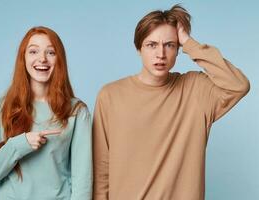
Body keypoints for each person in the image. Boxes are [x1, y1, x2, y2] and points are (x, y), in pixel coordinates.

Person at [93, 4, 250, 200]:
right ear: (138, 48)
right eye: (152, 45)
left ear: (178, 50)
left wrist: (189, 42)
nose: (161, 54)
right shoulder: (110, 95)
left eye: (170, 45)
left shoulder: (195, 89)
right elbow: (101, 169)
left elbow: (238, 85)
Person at [0, 26, 92, 200]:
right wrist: (19, 144)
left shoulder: (77, 111)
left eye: (51, 53)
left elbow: (82, 181)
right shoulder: (1, 109)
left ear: (59, 59)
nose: (42, 59)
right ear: (23, 59)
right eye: (33, 52)